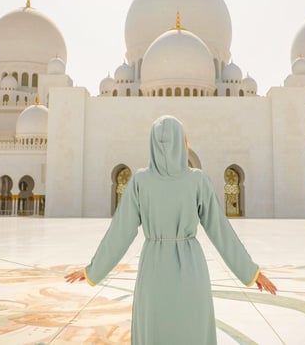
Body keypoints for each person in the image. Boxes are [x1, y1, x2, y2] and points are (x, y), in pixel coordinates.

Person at [65, 115, 277, 344]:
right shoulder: (198, 180)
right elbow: (221, 231)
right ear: (182, 143)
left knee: (155, 330)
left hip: (153, 273)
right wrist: (251, 271)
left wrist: (93, 271)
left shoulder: (140, 181)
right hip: (191, 271)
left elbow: (119, 233)